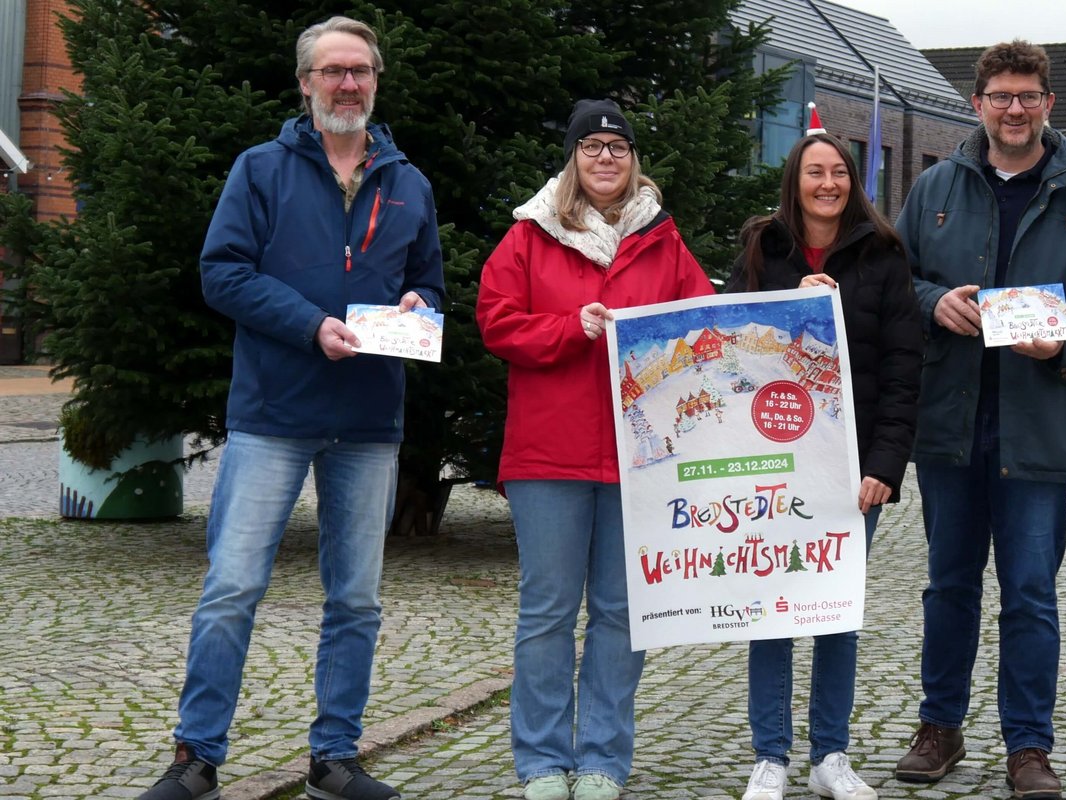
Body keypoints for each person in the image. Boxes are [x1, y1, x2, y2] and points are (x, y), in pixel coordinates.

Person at [137, 16, 445, 800]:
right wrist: (311, 325)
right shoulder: (260, 170)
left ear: (376, 80)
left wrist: (419, 303)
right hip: (273, 414)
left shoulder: (409, 182)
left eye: (362, 71)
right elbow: (222, 273)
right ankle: (196, 758)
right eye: (334, 71)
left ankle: (334, 758)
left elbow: (434, 288)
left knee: (356, 599)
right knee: (233, 587)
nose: (349, 84)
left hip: (371, 422)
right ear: (306, 82)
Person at [892, 40, 1066, 800]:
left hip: (1039, 423)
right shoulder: (937, 184)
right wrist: (929, 303)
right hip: (950, 423)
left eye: (1027, 96)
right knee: (947, 586)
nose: (1014, 108)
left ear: (1048, 104)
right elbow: (894, 278)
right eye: (1001, 96)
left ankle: (1028, 748)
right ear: (977, 104)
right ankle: (938, 728)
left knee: (1030, 592)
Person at [476, 99, 714, 800]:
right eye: (592, 146)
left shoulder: (664, 243)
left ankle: (604, 759)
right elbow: (496, 323)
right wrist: (566, 329)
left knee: (620, 613)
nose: (606, 157)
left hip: (642, 459)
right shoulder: (528, 238)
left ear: (632, 158)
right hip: (548, 456)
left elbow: (704, 327)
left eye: (617, 146)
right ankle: (544, 761)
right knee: (547, 612)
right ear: (572, 158)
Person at [726, 132, 923, 800]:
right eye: (815, 172)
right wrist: (791, 306)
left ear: (853, 181)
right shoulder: (763, 247)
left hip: (853, 469)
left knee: (836, 610)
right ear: (795, 179)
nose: (828, 183)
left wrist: (887, 466)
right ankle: (770, 756)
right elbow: (726, 343)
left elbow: (903, 367)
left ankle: (830, 756)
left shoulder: (884, 253)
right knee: (772, 609)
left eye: (839, 172)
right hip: (772, 462)